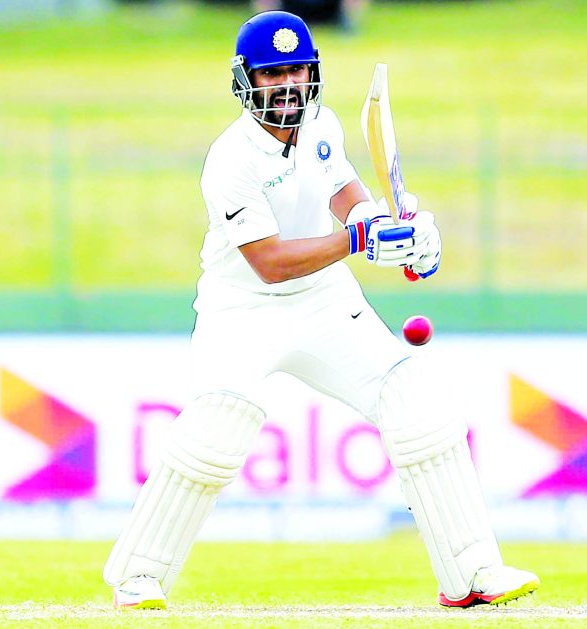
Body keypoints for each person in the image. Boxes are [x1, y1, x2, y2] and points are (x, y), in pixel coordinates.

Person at [102, 10, 539, 610]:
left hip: (325, 301)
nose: (286, 85)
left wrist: (398, 231)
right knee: (217, 430)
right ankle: (138, 575)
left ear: (314, 74)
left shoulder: (324, 125)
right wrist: (360, 242)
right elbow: (271, 261)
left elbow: (344, 193)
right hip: (242, 310)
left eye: (297, 71)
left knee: (415, 402)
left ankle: (472, 572)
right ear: (245, 81)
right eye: (271, 74)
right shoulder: (230, 159)